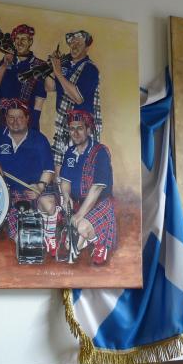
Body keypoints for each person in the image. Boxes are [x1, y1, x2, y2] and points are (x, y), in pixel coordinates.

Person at [0, 98, 59, 252]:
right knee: (23, 240)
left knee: (48, 204)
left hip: (34, 188)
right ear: (6, 118)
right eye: (11, 117)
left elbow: (49, 170)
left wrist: (40, 187)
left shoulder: (39, 139)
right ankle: (31, 229)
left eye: (20, 117)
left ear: (27, 118)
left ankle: (50, 236)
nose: (15, 122)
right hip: (9, 193)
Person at [57, 110, 116, 265]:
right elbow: (65, 181)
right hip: (78, 204)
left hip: (99, 204)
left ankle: (100, 244)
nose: (75, 133)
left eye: (80, 128)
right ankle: (86, 236)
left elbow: (97, 188)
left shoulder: (100, 152)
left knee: (81, 227)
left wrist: (79, 215)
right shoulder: (70, 152)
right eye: (72, 129)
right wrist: (66, 196)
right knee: (69, 245)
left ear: (89, 130)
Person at [47, 30, 101, 168]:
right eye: (72, 43)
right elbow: (49, 87)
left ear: (87, 47)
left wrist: (58, 73)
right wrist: (50, 69)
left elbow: (78, 98)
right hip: (63, 123)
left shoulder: (90, 68)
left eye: (79, 43)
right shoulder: (65, 65)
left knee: (79, 167)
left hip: (82, 127)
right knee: (58, 165)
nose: (74, 46)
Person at [0, 24, 48, 131]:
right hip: (2, 119)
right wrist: (5, 64)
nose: (19, 42)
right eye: (17, 39)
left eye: (23, 39)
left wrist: (33, 127)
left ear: (30, 42)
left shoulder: (39, 65)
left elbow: (39, 100)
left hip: (24, 122)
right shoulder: (6, 60)